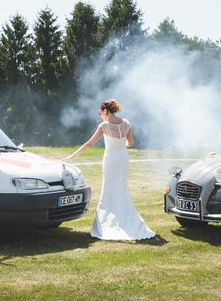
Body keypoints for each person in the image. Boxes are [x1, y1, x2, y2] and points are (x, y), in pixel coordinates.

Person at [63, 99, 155, 241]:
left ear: (106, 111)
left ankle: (107, 223)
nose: (100, 115)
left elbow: (90, 144)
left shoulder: (104, 125)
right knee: (121, 188)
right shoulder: (126, 123)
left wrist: (72, 156)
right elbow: (131, 143)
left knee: (108, 189)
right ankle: (126, 219)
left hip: (111, 159)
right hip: (123, 158)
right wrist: (121, 143)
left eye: (100, 113)